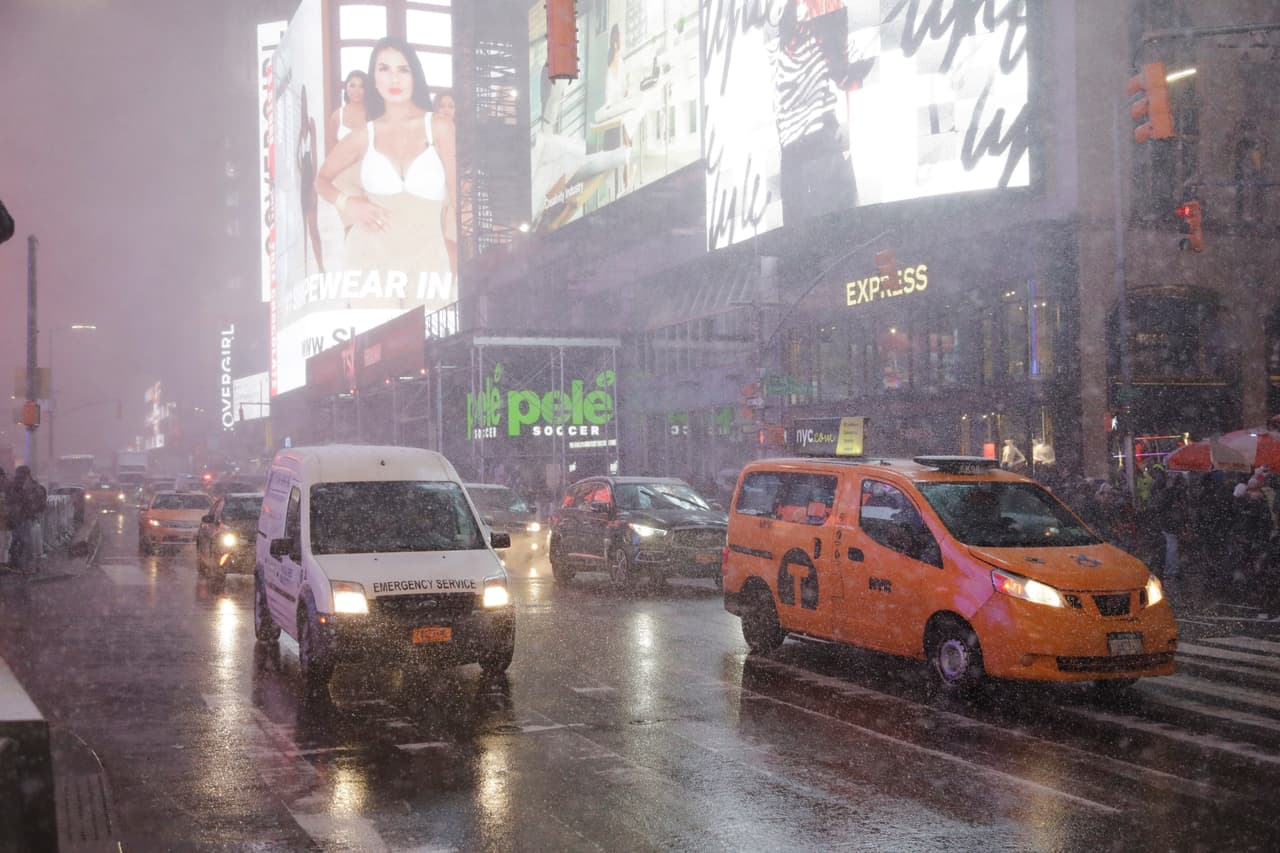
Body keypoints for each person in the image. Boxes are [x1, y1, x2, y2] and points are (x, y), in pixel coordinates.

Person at [315, 37, 456, 306]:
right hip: (370, 259)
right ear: (374, 79)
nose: (394, 79)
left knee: (435, 340)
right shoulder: (362, 136)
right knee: (379, 346)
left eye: (403, 69)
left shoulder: (439, 127)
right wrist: (349, 204)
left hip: (428, 258)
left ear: (414, 75)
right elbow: (321, 180)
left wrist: (454, 244)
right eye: (384, 69)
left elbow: (458, 193)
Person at [327, 70, 369, 235]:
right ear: (346, 88)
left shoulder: (374, 114)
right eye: (352, 85)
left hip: (369, 175)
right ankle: (354, 260)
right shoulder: (338, 115)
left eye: (361, 86)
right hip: (344, 178)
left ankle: (371, 261)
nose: (356, 90)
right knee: (351, 226)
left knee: (370, 225)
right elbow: (332, 146)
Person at [297, 85, 325, 274]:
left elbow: (315, 158)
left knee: (313, 228)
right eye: (302, 102)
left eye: (305, 102)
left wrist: (315, 189)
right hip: (301, 183)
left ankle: (321, 267)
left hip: (310, 183)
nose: (303, 106)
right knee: (303, 229)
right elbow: (296, 158)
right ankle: (306, 269)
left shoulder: (311, 126)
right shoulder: (298, 132)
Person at [434, 92, 459, 277]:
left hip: (455, 195)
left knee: (452, 243)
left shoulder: (460, 134)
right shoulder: (430, 131)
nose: (446, 109)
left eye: (451, 105)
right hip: (435, 196)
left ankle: (453, 291)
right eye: (442, 105)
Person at [6, 465, 46, 572]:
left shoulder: (32, 487)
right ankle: (20, 564)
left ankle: (27, 565)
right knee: (19, 541)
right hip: (19, 519)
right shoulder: (16, 486)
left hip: (26, 519)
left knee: (27, 542)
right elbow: (9, 500)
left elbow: (39, 503)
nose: (19, 477)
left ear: (27, 475)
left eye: (21, 474)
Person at [0, 468, 10, 566]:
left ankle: (4, 562)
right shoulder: (7, 487)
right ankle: (3, 562)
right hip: (4, 521)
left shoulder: (7, 487)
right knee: (4, 541)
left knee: (5, 541)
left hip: (5, 521)